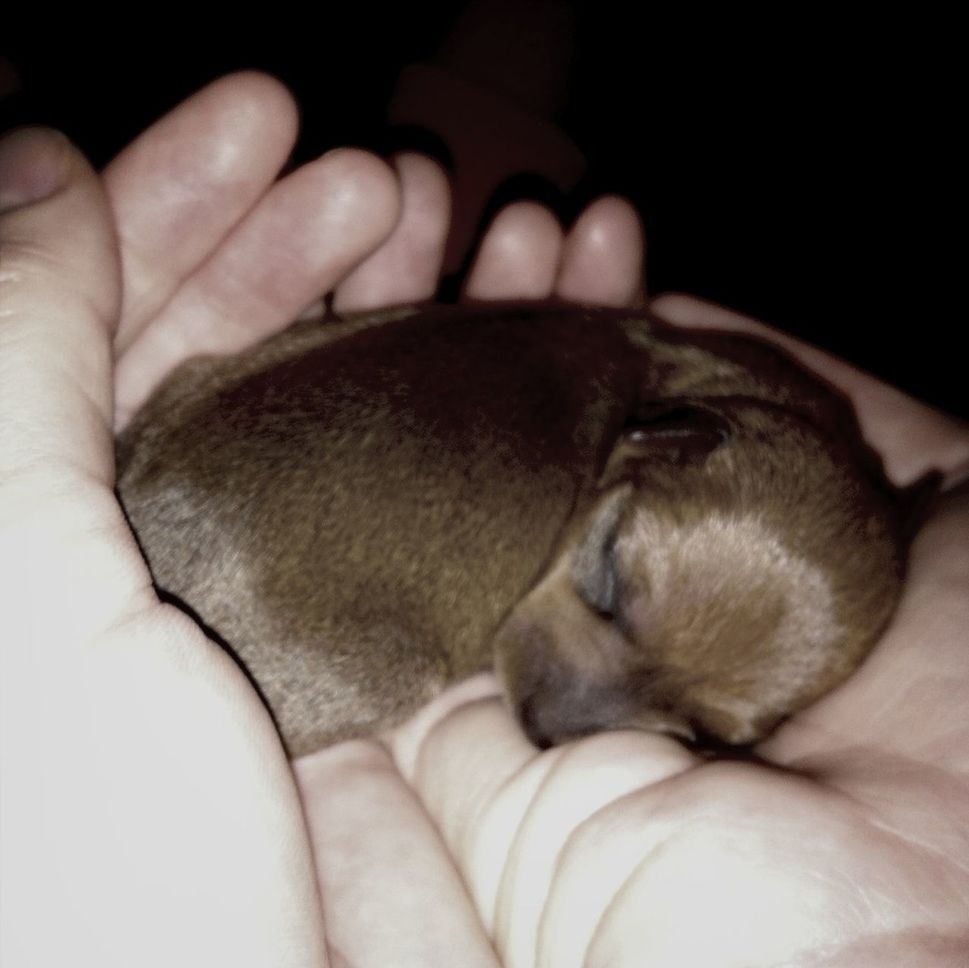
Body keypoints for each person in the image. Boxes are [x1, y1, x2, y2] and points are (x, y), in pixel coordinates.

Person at [1, 71, 967, 968]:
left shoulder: (672, 424)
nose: (566, 715)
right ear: (652, 438)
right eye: (604, 588)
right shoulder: (656, 422)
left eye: (691, 723)